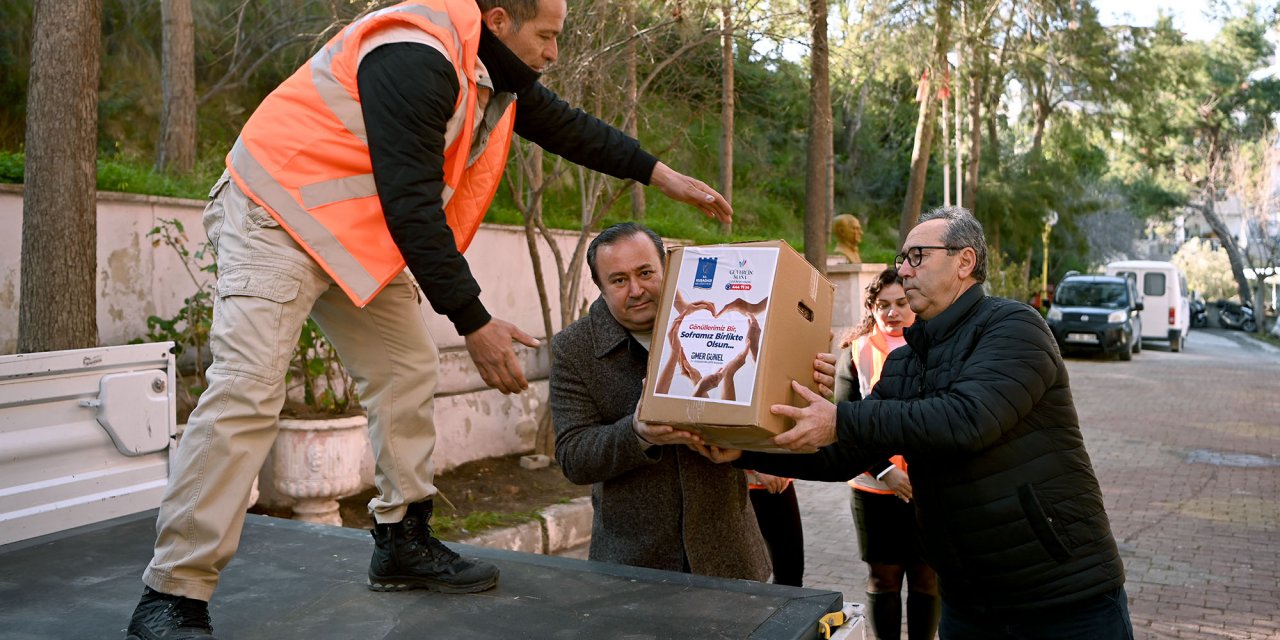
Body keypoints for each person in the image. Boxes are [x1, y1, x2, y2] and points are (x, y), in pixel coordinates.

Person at [126, 1, 734, 637]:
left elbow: (564, 124)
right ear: (501, 21)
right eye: (548, 36)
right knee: (247, 394)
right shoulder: (415, 54)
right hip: (275, 214)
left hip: (349, 236)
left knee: (406, 371)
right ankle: (172, 593)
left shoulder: (489, 69)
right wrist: (474, 320)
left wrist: (660, 174)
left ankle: (401, 539)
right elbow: (412, 205)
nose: (554, 53)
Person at [711, 206, 1132, 639]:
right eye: (902, 259)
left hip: (1063, 597)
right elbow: (844, 454)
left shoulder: (1013, 326)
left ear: (965, 262)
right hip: (968, 603)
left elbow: (967, 419)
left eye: (918, 257)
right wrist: (746, 450)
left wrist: (841, 418)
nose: (904, 270)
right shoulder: (905, 361)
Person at [549, 222, 770, 581]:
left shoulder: (723, 319)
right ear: (601, 288)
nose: (636, 290)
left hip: (729, 554)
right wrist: (636, 433)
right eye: (619, 281)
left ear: (667, 269)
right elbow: (574, 456)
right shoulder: (574, 349)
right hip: (632, 563)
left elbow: (770, 414)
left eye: (645, 273)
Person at [836, 267, 938, 640]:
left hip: (927, 487)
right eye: (883, 305)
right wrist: (884, 471)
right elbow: (843, 424)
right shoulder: (855, 352)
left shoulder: (936, 349)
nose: (892, 312)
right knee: (885, 576)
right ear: (872, 309)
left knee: (927, 577)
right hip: (872, 487)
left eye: (901, 303)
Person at [745, 470, 805, 587]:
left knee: (790, 574)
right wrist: (757, 469)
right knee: (788, 576)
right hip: (754, 482)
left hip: (775, 479)